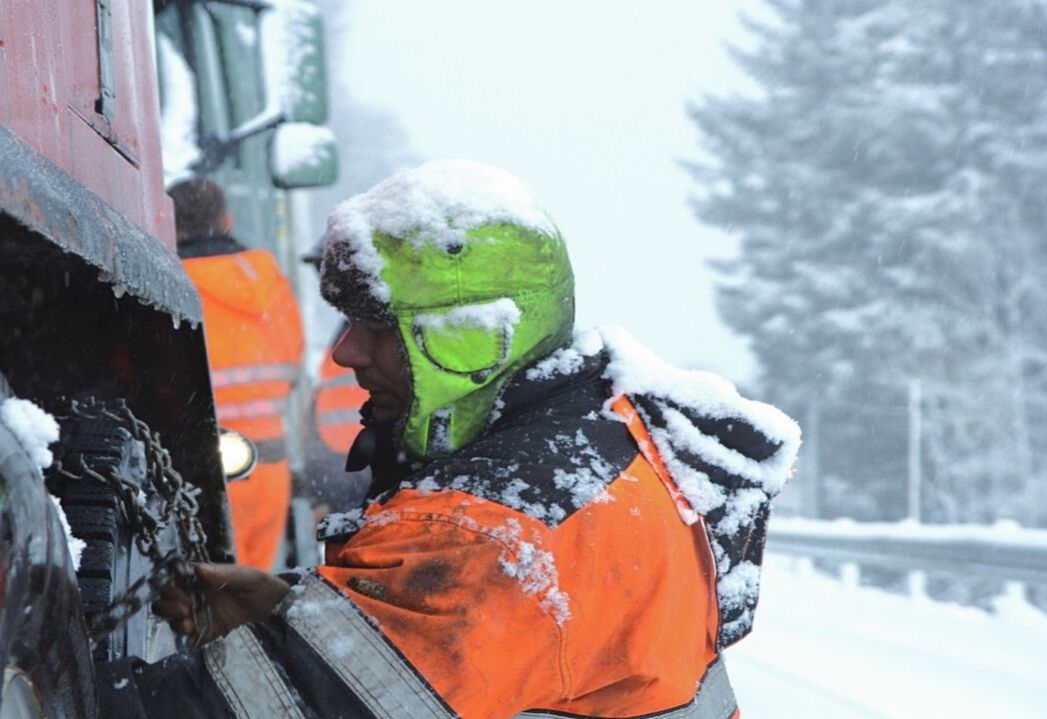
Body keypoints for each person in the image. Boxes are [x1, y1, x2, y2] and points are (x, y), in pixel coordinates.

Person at [103, 160, 800, 718]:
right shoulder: (599, 446)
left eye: (378, 326)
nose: (345, 352)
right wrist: (295, 612)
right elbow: (504, 654)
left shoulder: (490, 532)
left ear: (474, 337)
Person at [172, 178, 305, 571]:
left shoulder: (172, 280)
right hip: (269, 467)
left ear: (171, 224)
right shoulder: (267, 275)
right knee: (252, 589)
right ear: (227, 220)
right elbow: (293, 357)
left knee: (205, 589)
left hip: (200, 470)